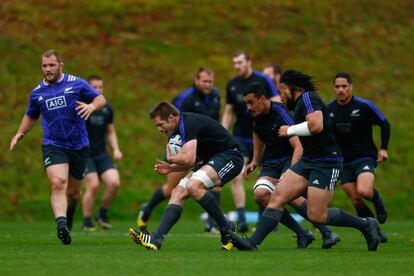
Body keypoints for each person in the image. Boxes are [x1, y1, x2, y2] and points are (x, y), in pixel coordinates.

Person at [228, 70, 381, 251]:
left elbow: (316, 125)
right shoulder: (297, 104)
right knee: (277, 197)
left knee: (317, 215)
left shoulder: (309, 98)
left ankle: (365, 224)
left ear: (294, 88)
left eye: (282, 89)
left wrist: (290, 130)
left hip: (326, 162)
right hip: (308, 160)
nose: (280, 94)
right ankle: (252, 243)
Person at [10, 50, 106, 244]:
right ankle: (61, 224)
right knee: (58, 182)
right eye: (44, 66)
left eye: (51, 65)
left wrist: (91, 107)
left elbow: (100, 99)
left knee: (73, 193)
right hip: (54, 145)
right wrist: (20, 132)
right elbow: (31, 115)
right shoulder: (37, 93)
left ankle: (68, 218)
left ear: (60, 65)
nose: (47, 69)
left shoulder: (76, 83)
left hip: (79, 145)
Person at [129, 101, 244, 251]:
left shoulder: (188, 123)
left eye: (160, 124)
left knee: (193, 186)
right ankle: (156, 239)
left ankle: (227, 229)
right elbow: (192, 161)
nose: (159, 129)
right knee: (178, 192)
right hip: (210, 160)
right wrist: (171, 169)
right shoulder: (176, 131)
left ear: (171, 117)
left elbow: (189, 159)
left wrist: (170, 159)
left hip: (230, 156)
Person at [243, 82, 340, 249]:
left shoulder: (282, 113)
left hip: (290, 158)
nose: (248, 107)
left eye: (251, 102)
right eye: (246, 103)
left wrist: (290, 173)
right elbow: (257, 133)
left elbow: (299, 146)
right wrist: (254, 159)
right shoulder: (255, 115)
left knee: (289, 195)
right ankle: (303, 233)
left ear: (263, 99)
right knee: (261, 195)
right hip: (271, 162)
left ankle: (327, 232)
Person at [136, 68, 222, 233]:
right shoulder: (185, 98)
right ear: (196, 80)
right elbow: (170, 126)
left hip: (205, 147)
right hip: (183, 147)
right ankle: (147, 210)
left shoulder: (215, 95)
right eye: (205, 81)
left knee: (216, 184)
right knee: (171, 189)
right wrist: (174, 149)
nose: (208, 85)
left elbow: (215, 119)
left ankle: (213, 224)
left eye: (211, 81)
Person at [221, 51, 280, 232]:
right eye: (234, 63)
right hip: (240, 136)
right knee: (237, 174)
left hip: (264, 136)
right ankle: (241, 218)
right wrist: (223, 132)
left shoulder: (263, 80)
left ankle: (268, 219)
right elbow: (229, 110)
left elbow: (276, 102)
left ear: (249, 62)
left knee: (267, 178)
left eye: (240, 62)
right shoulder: (232, 84)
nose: (237, 66)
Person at [327, 72, 390, 242]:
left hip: (364, 157)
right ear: (334, 88)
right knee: (356, 200)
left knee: (364, 191)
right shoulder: (329, 110)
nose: (340, 90)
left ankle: (377, 201)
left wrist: (383, 149)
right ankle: (374, 230)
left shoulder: (364, 105)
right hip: (343, 162)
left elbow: (384, 124)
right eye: (337, 87)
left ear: (351, 87)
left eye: (344, 86)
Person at [81, 75, 122, 231]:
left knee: (114, 183)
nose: (97, 90)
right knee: (93, 185)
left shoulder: (107, 108)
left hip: (101, 153)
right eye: (94, 87)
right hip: (84, 154)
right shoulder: (82, 106)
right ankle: (87, 221)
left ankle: (102, 214)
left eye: (100, 87)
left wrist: (116, 149)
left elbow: (110, 131)